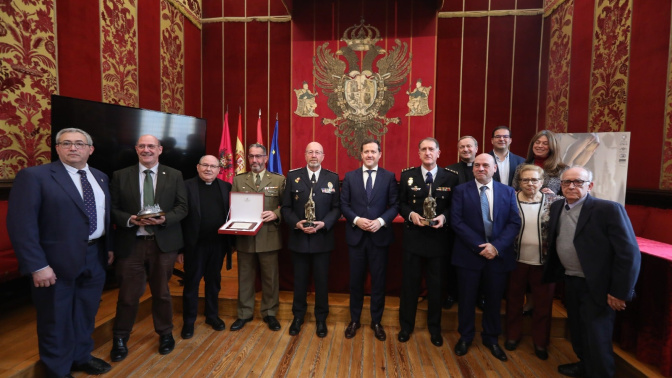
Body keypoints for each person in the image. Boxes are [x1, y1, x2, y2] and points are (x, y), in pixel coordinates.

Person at [7, 128, 113, 377]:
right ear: (57, 148)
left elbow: (104, 218)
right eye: (66, 143)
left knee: (86, 312)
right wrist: (37, 265)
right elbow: (22, 225)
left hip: (94, 256)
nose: (73, 148)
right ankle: (58, 369)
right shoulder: (34, 177)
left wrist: (108, 249)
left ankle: (81, 356)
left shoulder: (100, 177)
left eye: (79, 143)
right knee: (55, 317)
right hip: (53, 263)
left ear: (91, 149)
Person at [543, 167, 640, 377]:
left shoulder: (608, 209)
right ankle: (585, 365)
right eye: (566, 182)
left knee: (597, 336)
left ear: (590, 185)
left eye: (578, 182)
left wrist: (620, 291)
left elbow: (629, 253)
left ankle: (601, 373)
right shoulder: (558, 205)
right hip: (571, 280)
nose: (571, 186)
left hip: (598, 285)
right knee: (578, 330)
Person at [110, 134, 188, 361]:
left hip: (162, 244)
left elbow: (182, 207)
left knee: (162, 293)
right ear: (136, 149)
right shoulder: (120, 175)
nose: (147, 150)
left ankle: (165, 334)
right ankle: (120, 337)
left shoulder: (174, 175)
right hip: (131, 243)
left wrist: (164, 219)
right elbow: (112, 208)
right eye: (142, 146)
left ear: (160, 150)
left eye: (151, 146)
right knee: (128, 295)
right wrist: (129, 219)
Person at [451, 153, 521, 361]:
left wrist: (496, 247)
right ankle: (465, 337)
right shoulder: (460, 191)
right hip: (468, 255)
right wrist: (480, 246)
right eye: (477, 165)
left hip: (497, 257)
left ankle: (491, 338)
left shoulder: (507, 192)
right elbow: (457, 222)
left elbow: (514, 223)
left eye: (485, 165)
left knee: (493, 300)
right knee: (466, 299)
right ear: (473, 168)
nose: (481, 168)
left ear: (494, 169)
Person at [398, 137, 459, 347]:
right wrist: (411, 214)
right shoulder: (408, 175)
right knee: (409, 286)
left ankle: (435, 329)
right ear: (418, 153)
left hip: (438, 240)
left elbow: (455, 206)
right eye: (423, 149)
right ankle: (406, 326)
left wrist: (445, 218)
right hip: (414, 238)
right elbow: (401, 204)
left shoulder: (450, 177)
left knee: (436, 287)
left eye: (431, 149)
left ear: (438, 152)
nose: (427, 152)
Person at [341, 139, 399, 341]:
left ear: (379, 154)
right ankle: (354, 320)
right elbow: (344, 205)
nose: (369, 155)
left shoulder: (389, 177)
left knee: (378, 282)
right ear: (361, 154)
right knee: (355, 282)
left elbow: (394, 205)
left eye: (373, 152)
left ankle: (376, 321)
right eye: (366, 151)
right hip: (356, 238)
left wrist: (381, 221)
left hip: (379, 237)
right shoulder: (349, 177)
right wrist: (357, 220)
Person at [281, 142, 340, 338]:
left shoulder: (332, 178)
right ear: (305, 155)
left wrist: (325, 223)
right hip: (299, 238)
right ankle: (298, 317)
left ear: (323, 156)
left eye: (317, 152)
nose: (314, 155)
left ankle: (321, 318)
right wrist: (296, 223)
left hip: (322, 239)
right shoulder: (293, 176)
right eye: (310, 152)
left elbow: (336, 208)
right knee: (299, 281)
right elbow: (286, 208)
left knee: (322, 282)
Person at [504, 164, 559, 360]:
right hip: (515, 260)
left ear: (542, 182)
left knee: (543, 306)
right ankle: (512, 336)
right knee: (514, 302)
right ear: (519, 182)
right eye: (525, 180)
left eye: (534, 180)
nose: (530, 183)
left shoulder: (554, 201)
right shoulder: (509, 199)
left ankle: (540, 343)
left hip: (543, 263)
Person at [230, 144, 286, 332]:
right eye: (251, 157)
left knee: (270, 279)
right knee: (245, 277)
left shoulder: (278, 180)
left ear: (265, 158)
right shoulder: (239, 180)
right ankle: (244, 313)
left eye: (258, 156)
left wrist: (276, 214)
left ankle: (270, 313)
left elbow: (287, 207)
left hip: (268, 236)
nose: (254, 160)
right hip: (245, 237)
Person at [179, 155, 231, 339]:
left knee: (214, 282)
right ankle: (189, 322)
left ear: (219, 170)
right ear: (198, 167)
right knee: (191, 283)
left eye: (213, 166)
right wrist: (180, 249)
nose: (209, 169)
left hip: (218, 245)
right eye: (205, 165)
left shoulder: (226, 187)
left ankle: (212, 316)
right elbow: (178, 219)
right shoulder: (185, 186)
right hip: (194, 246)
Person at [444, 135, 480, 309]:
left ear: (476, 148)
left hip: (479, 227)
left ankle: (480, 296)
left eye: (469, 146)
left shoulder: (484, 169)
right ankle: (452, 294)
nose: (466, 150)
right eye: (462, 147)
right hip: (454, 227)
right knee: (453, 263)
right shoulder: (449, 171)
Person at [513, 129, 567, 195]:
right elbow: (514, 191)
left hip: (550, 204)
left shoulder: (563, 170)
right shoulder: (521, 167)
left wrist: (554, 196)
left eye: (545, 143)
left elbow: (569, 197)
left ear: (552, 147)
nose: (540, 146)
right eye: (537, 142)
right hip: (525, 204)